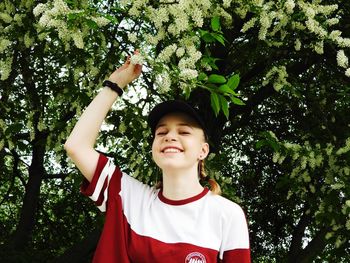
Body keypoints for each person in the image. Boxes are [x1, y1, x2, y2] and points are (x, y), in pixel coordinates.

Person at [64, 51, 251, 263]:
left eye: (184, 132)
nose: (170, 137)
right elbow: (76, 146)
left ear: (203, 150)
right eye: (161, 132)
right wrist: (115, 84)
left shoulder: (227, 215)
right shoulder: (129, 197)